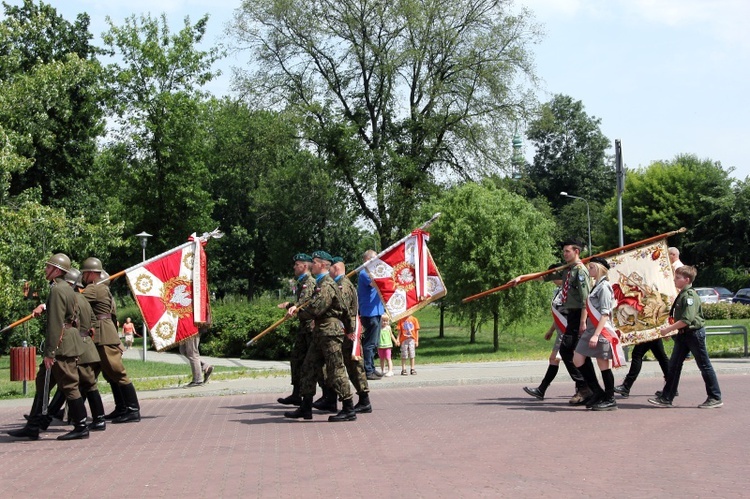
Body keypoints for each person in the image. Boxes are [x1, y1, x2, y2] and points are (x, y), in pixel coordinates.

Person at [8, 253, 89, 440]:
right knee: (42, 382)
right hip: (63, 342)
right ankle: (33, 425)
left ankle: (81, 426)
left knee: (69, 385)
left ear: (57, 270)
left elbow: (56, 323)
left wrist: (50, 352)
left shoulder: (58, 289)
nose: (45, 269)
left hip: (61, 346)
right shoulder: (64, 288)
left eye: (48, 267)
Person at [509, 239, 592, 405]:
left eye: (567, 251)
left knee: (567, 351)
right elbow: (542, 277)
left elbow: (586, 300)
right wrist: (522, 278)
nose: (564, 253)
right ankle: (588, 388)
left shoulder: (580, 271)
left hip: (578, 316)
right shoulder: (566, 270)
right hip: (572, 316)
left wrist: (583, 322)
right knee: (577, 354)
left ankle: (585, 387)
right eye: (564, 251)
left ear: (576, 252)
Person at [285, 251, 357, 422]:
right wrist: (348, 328)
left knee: (335, 369)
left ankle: (348, 407)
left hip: (330, 332)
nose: (312, 265)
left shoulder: (327, 285)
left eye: (315, 262)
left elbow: (317, 308)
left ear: (323, 265)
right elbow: (344, 311)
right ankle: (306, 407)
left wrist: (297, 312)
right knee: (308, 368)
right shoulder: (321, 284)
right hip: (320, 332)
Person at [648, 265, 723, 408]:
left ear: (686, 279)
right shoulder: (683, 293)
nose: (675, 280)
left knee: (704, 365)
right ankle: (666, 398)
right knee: (674, 366)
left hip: (693, 334)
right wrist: (672, 330)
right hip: (684, 334)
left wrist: (669, 329)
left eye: (677, 278)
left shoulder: (689, 296)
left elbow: (686, 320)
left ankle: (715, 397)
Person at [82, 257, 141, 423]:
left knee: (117, 372)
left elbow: (75, 300)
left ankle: (132, 409)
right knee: (108, 374)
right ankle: (123, 407)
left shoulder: (95, 289)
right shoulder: (102, 290)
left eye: (85, 273)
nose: (83, 276)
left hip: (104, 336)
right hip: (104, 335)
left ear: (93, 274)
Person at [573, 257, 622, 411]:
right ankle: (598, 392)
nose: (589, 270)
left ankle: (610, 398)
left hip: (601, 331)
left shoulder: (605, 287)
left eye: (592, 267)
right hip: (591, 329)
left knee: (603, 365)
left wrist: (596, 334)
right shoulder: (596, 286)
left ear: (599, 268)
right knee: (577, 358)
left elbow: (605, 313)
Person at [523, 264, 578, 400]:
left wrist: (523, 278)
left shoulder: (569, 290)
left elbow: (569, 314)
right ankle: (542, 389)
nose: (552, 279)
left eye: (554, 276)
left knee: (563, 360)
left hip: (569, 331)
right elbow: (559, 314)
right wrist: (551, 330)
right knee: (562, 360)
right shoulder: (559, 291)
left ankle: (582, 388)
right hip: (561, 332)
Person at [330, 257, 372, 413]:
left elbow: (344, 310)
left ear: (336, 268)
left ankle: (364, 400)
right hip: (346, 329)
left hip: (348, 330)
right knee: (350, 366)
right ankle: (362, 400)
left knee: (354, 366)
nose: (329, 271)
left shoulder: (343, 286)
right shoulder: (340, 284)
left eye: (330, 268)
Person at [276, 253, 316, 406]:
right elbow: (301, 303)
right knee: (297, 359)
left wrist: (295, 308)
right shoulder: (302, 283)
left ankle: (326, 396)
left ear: (304, 266)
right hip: (303, 327)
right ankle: (297, 394)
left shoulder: (309, 282)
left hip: (310, 328)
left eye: (296, 264)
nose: (294, 267)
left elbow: (306, 303)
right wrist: (290, 305)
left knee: (313, 363)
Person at [358, 249, 385, 380]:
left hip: (377, 311)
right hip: (369, 313)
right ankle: (367, 370)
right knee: (369, 343)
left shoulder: (373, 272)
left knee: (374, 343)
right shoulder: (364, 273)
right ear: (367, 260)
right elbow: (375, 283)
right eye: (374, 259)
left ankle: (372, 367)